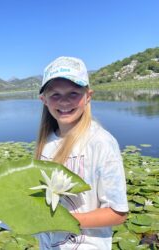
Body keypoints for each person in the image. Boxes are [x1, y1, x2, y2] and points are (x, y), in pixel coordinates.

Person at [35, 56, 128, 249]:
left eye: (73, 93)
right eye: (55, 95)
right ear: (43, 100)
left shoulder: (101, 143)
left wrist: (62, 221)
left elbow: (117, 213)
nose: (64, 101)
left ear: (88, 96)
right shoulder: (45, 144)